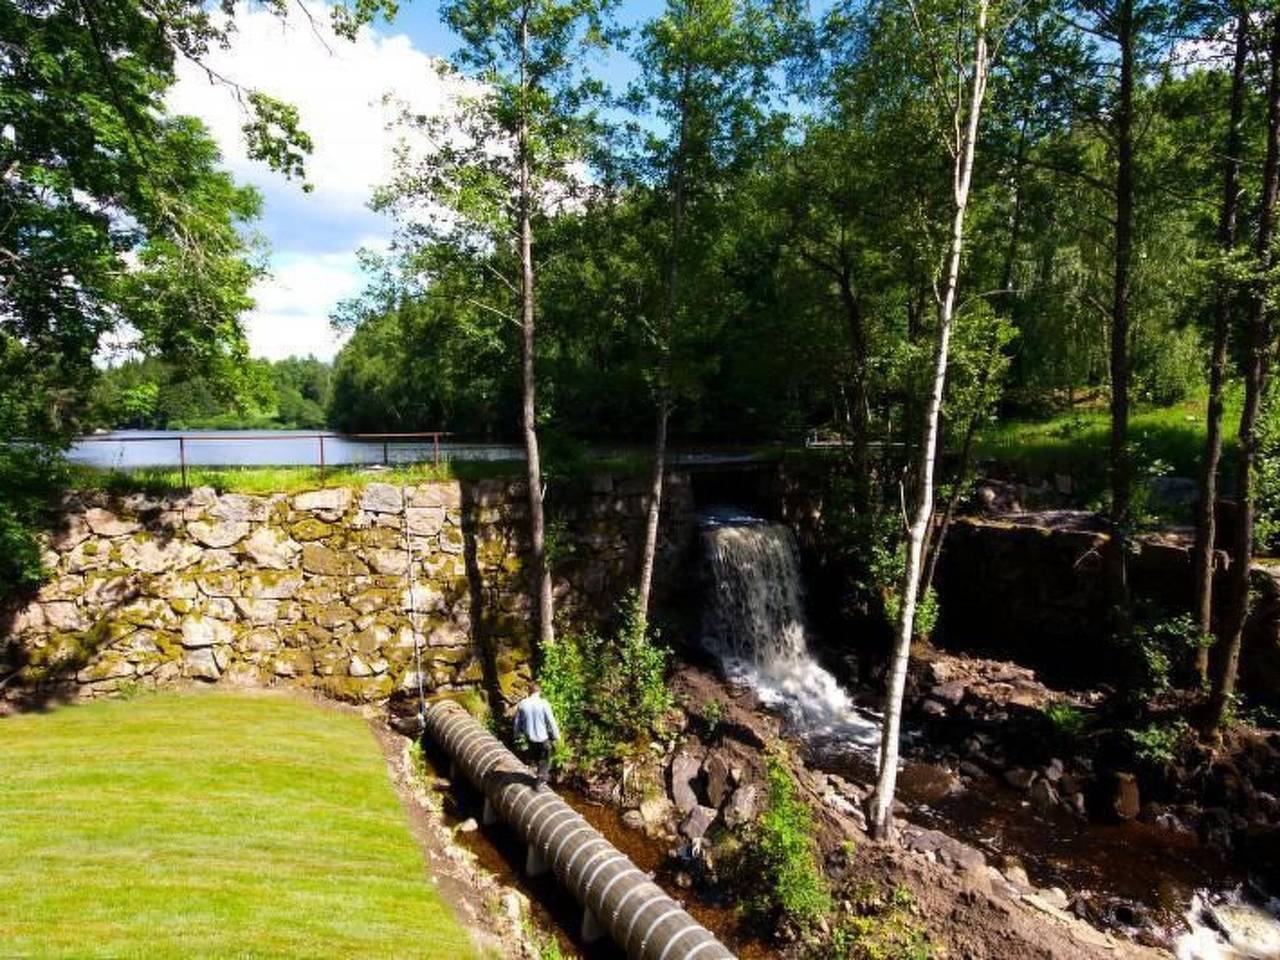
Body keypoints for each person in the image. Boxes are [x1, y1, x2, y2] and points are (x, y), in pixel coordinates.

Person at [512, 681, 560, 790]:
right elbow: (551, 721)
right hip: (543, 739)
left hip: (530, 739)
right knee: (546, 760)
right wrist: (557, 736)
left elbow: (517, 723)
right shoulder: (544, 703)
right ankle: (539, 782)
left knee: (537, 758)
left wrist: (516, 735)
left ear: (529, 691)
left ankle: (537, 776)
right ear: (539, 691)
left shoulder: (523, 703)